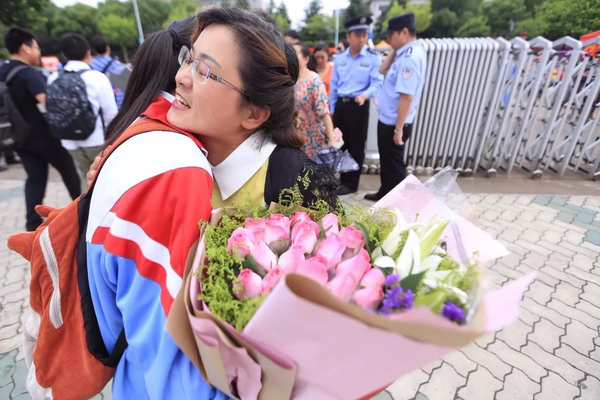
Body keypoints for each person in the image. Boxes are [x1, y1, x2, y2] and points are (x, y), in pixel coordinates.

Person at [86, 7, 338, 399]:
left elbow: (324, 312)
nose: (180, 77)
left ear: (254, 113)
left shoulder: (297, 185)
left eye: (205, 70)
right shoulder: (165, 157)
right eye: (188, 58)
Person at [0, 28, 81, 231]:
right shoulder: (28, 73)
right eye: (36, 47)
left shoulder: (3, 71)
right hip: (44, 136)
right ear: (26, 48)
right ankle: (83, 213)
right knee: (69, 170)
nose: (38, 51)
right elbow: (45, 101)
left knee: (35, 178)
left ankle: (32, 222)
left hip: (19, 137)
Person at [365, 13, 427, 202]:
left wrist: (398, 129)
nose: (389, 39)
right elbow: (382, 70)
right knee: (387, 162)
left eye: (392, 35)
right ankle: (385, 193)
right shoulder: (403, 54)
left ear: (405, 32)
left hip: (395, 123)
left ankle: (399, 204)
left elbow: (406, 97)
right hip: (388, 119)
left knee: (395, 166)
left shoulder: (410, 58)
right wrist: (395, 49)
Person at [48, 33, 118, 191]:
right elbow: (111, 114)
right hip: (96, 139)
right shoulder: (96, 78)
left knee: (84, 177)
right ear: (88, 53)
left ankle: (83, 212)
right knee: (104, 178)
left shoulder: (53, 78)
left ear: (64, 55)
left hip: (68, 141)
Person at [330, 16, 383, 195]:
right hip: (341, 107)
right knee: (340, 144)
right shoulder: (340, 58)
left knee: (356, 145)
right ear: (349, 36)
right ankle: (342, 178)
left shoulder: (373, 58)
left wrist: (365, 95)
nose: (361, 39)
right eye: (358, 35)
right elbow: (334, 85)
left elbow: (377, 82)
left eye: (364, 35)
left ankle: (352, 184)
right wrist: (331, 109)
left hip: (358, 106)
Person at [293, 42, 336, 160]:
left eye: (295, 54)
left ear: (306, 58)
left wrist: (332, 139)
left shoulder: (314, 80)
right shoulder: (290, 80)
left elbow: (324, 112)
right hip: (294, 136)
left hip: (312, 136)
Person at [90, 34, 125, 108]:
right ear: (108, 48)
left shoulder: (90, 65)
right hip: (115, 105)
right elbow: (125, 86)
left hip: (98, 106)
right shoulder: (116, 65)